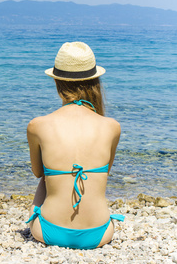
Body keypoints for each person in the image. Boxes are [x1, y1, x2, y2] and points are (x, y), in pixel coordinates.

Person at [26, 42, 124, 249]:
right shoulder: (112, 126)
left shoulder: (37, 125)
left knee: (47, 174)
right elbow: (105, 173)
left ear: (57, 82)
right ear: (95, 80)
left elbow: (37, 172)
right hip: (100, 232)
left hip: (48, 229)